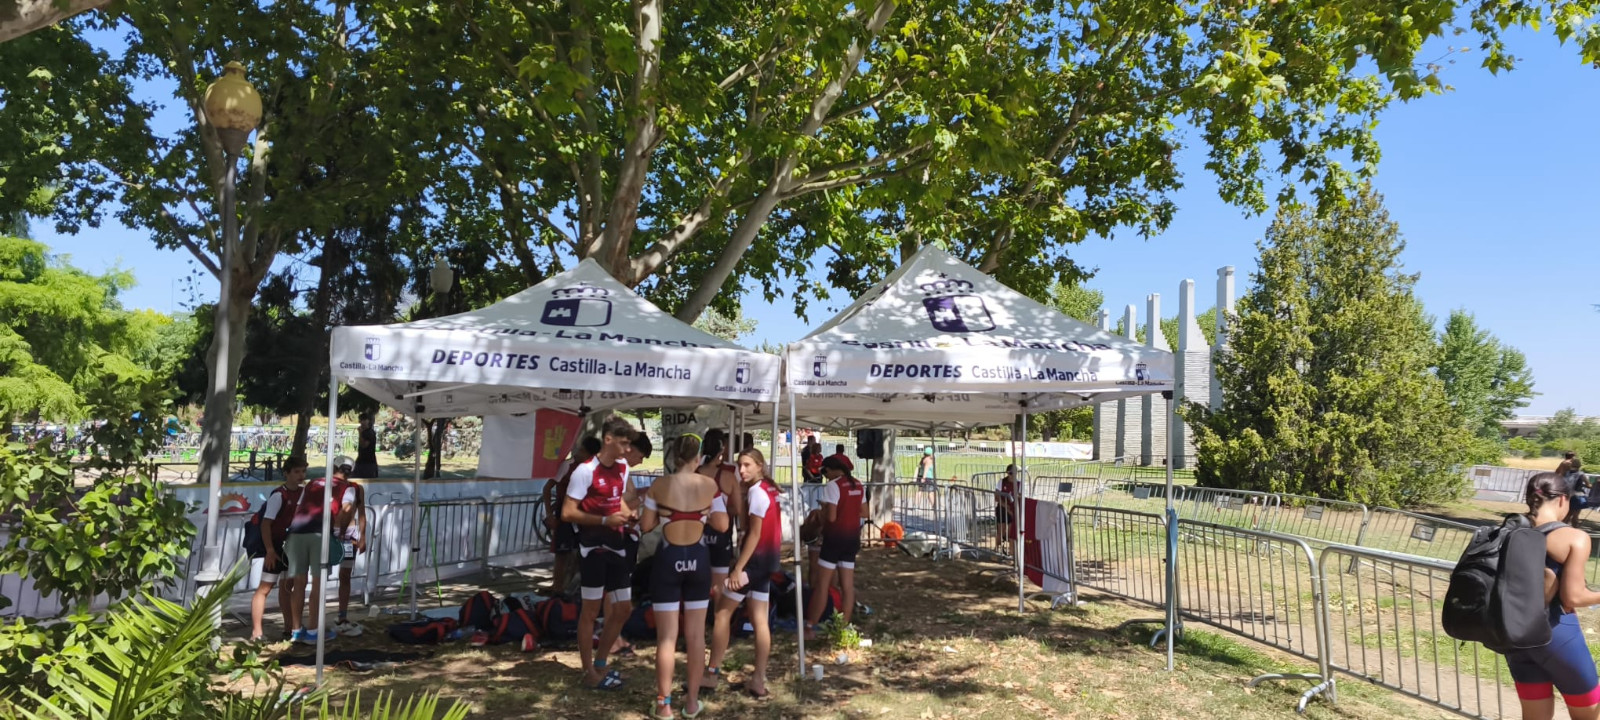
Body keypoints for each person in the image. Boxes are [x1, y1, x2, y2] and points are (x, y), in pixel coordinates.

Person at [639, 435, 728, 719]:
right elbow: (722, 525)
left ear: (673, 456)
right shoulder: (710, 485)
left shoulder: (659, 485)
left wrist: (667, 514)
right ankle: (691, 702)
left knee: (666, 637)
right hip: (699, 560)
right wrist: (701, 514)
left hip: (668, 559)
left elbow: (645, 525)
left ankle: (663, 704)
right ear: (698, 457)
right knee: (695, 635)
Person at [1505, 472, 1600, 720]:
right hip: (1557, 634)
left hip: (1516, 637)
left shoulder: (1508, 530)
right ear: (1562, 500)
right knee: (1588, 716)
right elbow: (1573, 598)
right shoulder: (1574, 537)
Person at [562, 417, 638, 691]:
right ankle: (588, 671)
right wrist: (605, 520)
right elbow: (567, 512)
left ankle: (602, 661)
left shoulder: (622, 467)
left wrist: (629, 514)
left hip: (617, 545)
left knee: (624, 608)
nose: (627, 450)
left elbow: (617, 500)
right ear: (608, 440)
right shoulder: (585, 471)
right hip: (592, 547)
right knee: (591, 611)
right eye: (624, 443)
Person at [709, 448, 782, 699]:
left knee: (722, 613)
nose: (742, 470)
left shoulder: (757, 492)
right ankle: (758, 679)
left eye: (747, 465)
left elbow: (755, 534)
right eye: (740, 465)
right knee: (760, 619)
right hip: (767, 562)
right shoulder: (770, 489)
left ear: (760, 465)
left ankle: (712, 673)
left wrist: (738, 568)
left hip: (753, 564)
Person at [283, 459, 357, 644]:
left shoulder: (313, 483)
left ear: (333, 467)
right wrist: (339, 532)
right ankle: (313, 631)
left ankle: (296, 630)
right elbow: (346, 509)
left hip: (297, 532)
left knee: (299, 583)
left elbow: (299, 507)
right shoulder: (348, 488)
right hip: (320, 534)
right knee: (318, 584)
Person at [248, 457, 306, 641]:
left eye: (303, 471)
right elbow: (266, 524)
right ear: (286, 473)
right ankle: (257, 632)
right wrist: (270, 551)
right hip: (275, 547)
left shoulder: (303, 493)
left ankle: (289, 628)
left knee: (287, 587)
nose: (301, 475)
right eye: (296, 472)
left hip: (291, 546)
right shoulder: (279, 496)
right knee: (265, 588)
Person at [806, 456, 864, 636]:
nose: (825, 476)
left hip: (834, 539)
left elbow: (831, 517)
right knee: (847, 585)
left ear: (832, 470)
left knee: (823, 584)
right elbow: (865, 512)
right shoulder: (858, 484)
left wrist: (823, 510)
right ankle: (844, 626)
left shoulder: (833, 486)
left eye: (825, 472)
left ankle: (810, 626)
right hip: (852, 538)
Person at [545, 436, 601, 594]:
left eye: (582, 451)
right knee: (562, 553)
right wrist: (549, 514)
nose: (577, 453)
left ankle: (571, 587)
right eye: (578, 449)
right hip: (564, 515)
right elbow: (547, 488)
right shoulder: (567, 465)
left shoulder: (596, 469)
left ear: (590, 455)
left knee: (582, 553)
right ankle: (557, 589)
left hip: (584, 516)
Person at [696, 435, 743, 611]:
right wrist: (720, 511)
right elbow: (737, 508)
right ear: (720, 453)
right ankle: (718, 619)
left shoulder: (694, 474)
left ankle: (697, 619)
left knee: (696, 582)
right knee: (719, 585)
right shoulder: (728, 476)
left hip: (696, 532)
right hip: (721, 533)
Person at [333, 465, 367, 636]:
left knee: (345, 573)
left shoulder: (356, 488)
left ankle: (342, 615)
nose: (344, 475)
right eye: (342, 471)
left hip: (348, 536)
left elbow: (361, 512)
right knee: (320, 574)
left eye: (347, 471)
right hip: (331, 534)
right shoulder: (327, 486)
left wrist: (363, 536)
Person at [996, 464, 1018, 555]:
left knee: (1011, 532)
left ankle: (1011, 552)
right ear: (1007, 473)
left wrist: (1013, 509)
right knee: (1001, 530)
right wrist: (1006, 506)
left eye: (1015, 473)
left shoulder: (1019, 483)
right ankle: (997, 550)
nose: (1013, 475)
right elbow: (997, 497)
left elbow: (1019, 497)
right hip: (1002, 508)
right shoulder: (1001, 482)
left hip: (1013, 509)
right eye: (1011, 473)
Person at [353, 414, 380, 478]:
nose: (361, 422)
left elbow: (364, 445)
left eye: (362, 420)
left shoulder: (369, 432)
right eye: (360, 420)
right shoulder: (365, 432)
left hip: (368, 463)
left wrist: (360, 433)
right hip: (362, 460)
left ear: (368, 421)